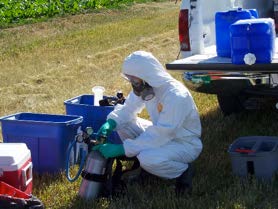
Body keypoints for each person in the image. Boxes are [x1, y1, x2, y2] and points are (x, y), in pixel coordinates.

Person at [93, 51, 203, 195]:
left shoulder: (175, 96)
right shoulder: (147, 87)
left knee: (148, 158)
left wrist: (123, 149)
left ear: (147, 75)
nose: (133, 83)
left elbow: (161, 134)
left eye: (134, 79)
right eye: (130, 79)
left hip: (184, 143)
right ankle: (149, 170)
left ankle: (183, 171)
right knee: (124, 124)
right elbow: (128, 108)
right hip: (163, 135)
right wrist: (111, 122)